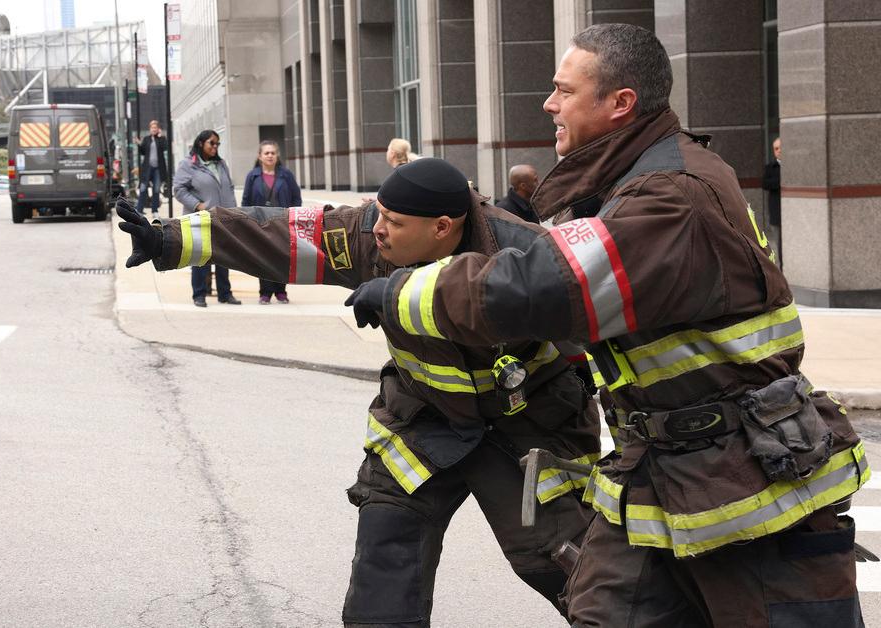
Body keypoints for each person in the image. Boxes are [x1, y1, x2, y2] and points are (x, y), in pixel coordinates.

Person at [345, 23, 866, 627]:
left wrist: (405, 290)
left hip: (743, 483)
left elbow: (549, 285)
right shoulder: (634, 180)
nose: (549, 104)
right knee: (603, 611)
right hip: (663, 470)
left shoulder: (671, 194)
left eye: (564, 91)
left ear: (620, 104)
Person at [118, 157, 602, 626]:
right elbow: (275, 234)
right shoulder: (365, 236)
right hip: (422, 423)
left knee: (569, 571)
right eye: (379, 216)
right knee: (382, 574)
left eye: (393, 221)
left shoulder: (524, 252)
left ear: (441, 227)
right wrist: (169, 238)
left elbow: (608, 328)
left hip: (523, 429)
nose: (378, 228)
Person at [173, 129, 241, 307]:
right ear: (201, 143)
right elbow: (179, 190)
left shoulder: (221, 164)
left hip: (223, 217)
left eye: (217, 144)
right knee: (200, 256)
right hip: (200, 218)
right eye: (212, 143)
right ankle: (199, 294)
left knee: (224, 256)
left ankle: (225, 294)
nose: (215, 147)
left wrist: (233, 211)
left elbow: (229, 187)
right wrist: (198, 205)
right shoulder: (188, 164)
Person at [241, 140, 302, 304]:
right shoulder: (252, 176)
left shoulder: (286, 175)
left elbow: (296, 197)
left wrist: (294, 216)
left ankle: (281, 291)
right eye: (266, 153)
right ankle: (265, 293)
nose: (270, 156)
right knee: (263, 258)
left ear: (277, 156)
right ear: (260, 156)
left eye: (273, 153)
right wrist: (247, 221)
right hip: (260, 223)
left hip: (283, 223)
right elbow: (246, 201)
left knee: (282, 257)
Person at [136, 121, 170, 219]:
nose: (153, 129)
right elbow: (142, 152)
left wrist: (163, 136)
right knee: (143, 189)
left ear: (158, 129)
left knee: (156, 190)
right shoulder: (146, 139)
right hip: (147, 168)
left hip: (157, 169)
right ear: (150, 129)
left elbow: (165, 148)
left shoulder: (161, 139)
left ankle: (154, 211)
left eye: (155, 128)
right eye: (152, 128)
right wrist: (139, 144)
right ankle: (139, 210)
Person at [763, 136, 782, 265]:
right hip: (777, 211)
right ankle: (782, 268)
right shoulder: (770, 167)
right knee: (779, 242)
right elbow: (765, 183)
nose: (779, 150)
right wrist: (781, 182)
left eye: (781, 147)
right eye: (776, 148)